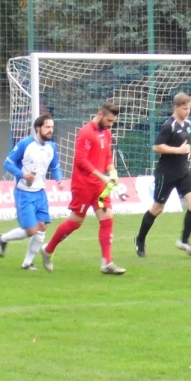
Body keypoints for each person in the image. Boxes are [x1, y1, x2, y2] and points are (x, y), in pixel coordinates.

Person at [39, 101, 126, 275]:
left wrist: (112, 172)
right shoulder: (85, 132)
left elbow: (107, 157)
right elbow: (81, 161)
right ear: (100, 114)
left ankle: (107, 263)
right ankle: (48, 249)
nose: (110, 124)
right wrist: (102, 176)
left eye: (112, 121)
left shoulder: (107, 133)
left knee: (107, 218)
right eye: (109, 120)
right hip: (83, 185)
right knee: (76, 222)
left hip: (100, 187)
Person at [134, 92, 191, 258]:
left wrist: (187, 151)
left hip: (183, 172)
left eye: (189, 108)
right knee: (157, 208)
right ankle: (140, 239)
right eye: (184, 108)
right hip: (166, 173)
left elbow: (185, 145)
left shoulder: (188, 124)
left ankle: (184, 241)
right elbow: (157, 147)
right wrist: (179, 150)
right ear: (176, 107)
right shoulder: (168, 125)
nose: (187, 111)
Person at [0, 114, 61, 269]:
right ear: (38, 127)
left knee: (42, 227)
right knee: (31, 230)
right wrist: (22, 174)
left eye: (52, 127)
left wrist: (59, 179)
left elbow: (55, 167)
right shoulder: (25, 144)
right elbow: (8, 164)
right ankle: (3, 238)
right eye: (47, 127)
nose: (50, 130)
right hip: (24, 192)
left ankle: (27, 263)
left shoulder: (52, 147)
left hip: (40, 193)